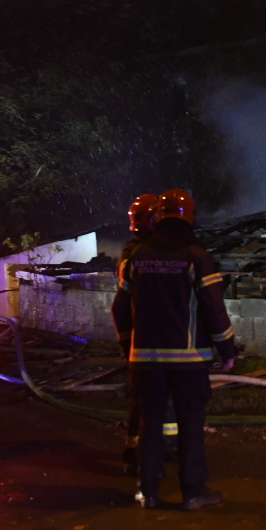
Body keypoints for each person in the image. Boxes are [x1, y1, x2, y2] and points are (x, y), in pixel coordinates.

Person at [111, 187, 236, 510]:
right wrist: (227, 350)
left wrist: (128, 346)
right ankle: (193, 492)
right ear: (190, 216)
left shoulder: (137, 257)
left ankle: (147, 492)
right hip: (189, 361)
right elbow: (213, 309)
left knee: (149, 424)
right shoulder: (198, 256)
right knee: (190, 425)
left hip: (145, 361)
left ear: (158, 216)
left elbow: (120, 308)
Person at [114, 193, 161, 476]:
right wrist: (126, 342)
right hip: (147, 342)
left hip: (147, 342)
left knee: (149, 400)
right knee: (145, 400)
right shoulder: (137, 255)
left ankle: (147, 453)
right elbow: (121, 305)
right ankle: (137, 456)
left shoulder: (139, 252)